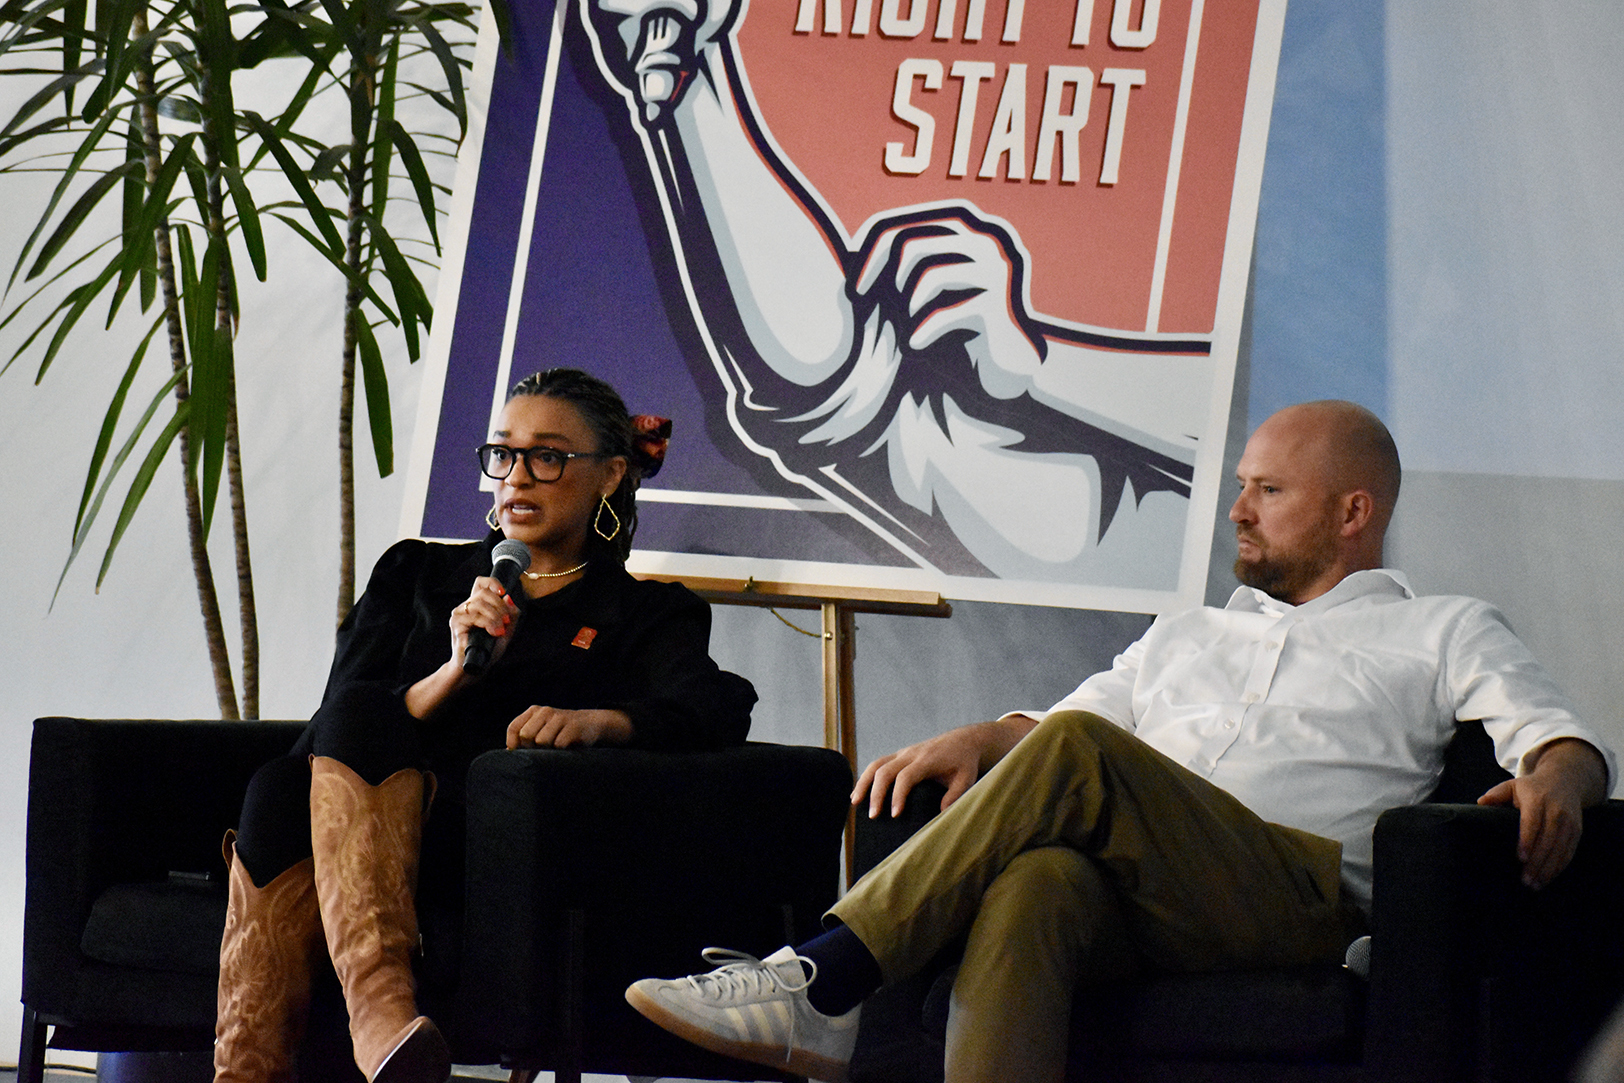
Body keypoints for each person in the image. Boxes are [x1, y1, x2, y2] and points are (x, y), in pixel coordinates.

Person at [623, 399, 1614, 1083]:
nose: (1235, 509)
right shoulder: (1188, 632)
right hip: (1151, 894)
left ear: (1354, 513)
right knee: (1040, 879)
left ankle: (825, 975)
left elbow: (1556, 740)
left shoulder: (1441, 626)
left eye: (1267, 491)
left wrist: (1561, 777)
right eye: (1239, 485)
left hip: (1297, 899)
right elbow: (1059, 725)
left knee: (1083, 758)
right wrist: (986, 731)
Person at [212, 368, 757, 1083]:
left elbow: (720, 704)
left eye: (549, 456)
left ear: (610, 473)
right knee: (291, 780)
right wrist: (452, 675)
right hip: (361, 843)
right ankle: (379, 1017)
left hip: (495, 856)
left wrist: (605, 720)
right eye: (504, 454)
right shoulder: (416, 574)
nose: (518, 477)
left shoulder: (648, 612)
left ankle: (318, 1045)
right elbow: (332, 728)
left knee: (279, 793)